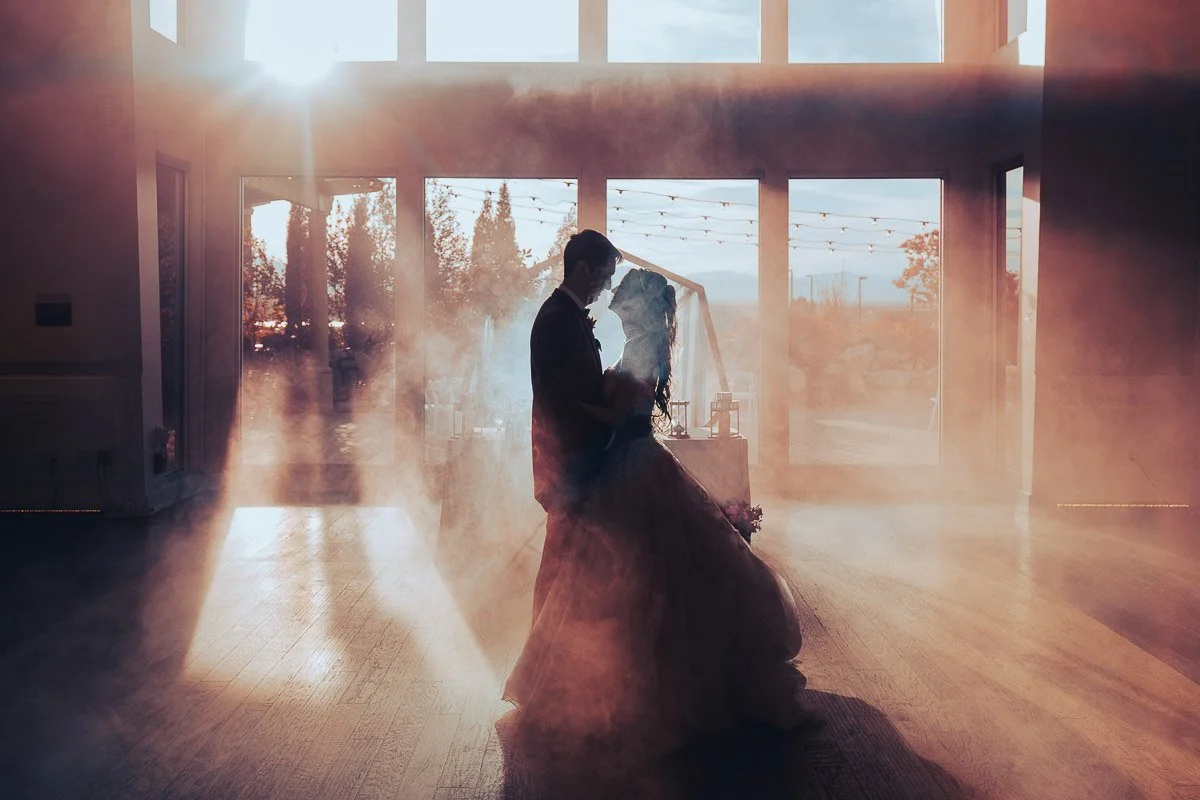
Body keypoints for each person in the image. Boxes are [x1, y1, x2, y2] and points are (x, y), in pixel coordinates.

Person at [506, 266, 812, 764]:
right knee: (644, 574)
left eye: (623, 298)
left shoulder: (641, 348)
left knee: (634, 576)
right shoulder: (646, 344)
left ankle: (637, 693)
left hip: (630, 464)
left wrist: (574, 404)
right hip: (635, 461)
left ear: (640, 307)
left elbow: (622, 416)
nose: (614, 303)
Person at [526, 229, 630, 622]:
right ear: (583, 268)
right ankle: (540, 658)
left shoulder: (567, 316)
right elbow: (568, 405)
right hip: (568, 464)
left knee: (571, 564)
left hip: (574, 463)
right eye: (604, 275)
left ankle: (559, 656)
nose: (606, 287)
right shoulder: (558, 320)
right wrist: (617, 419)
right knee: (560, 563)